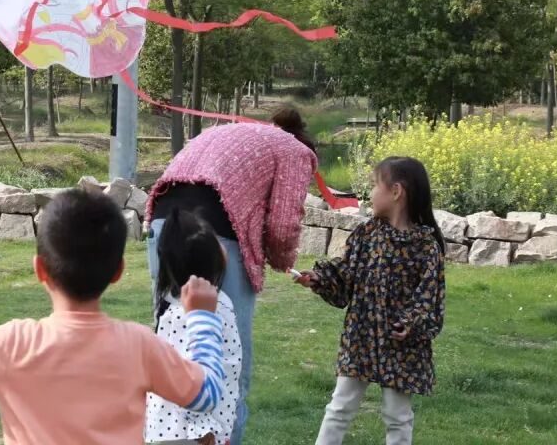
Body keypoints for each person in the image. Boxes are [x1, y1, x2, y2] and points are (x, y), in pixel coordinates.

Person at [0, 189, 227, 445]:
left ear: (40, 269)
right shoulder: (139, 346)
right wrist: (201, 319)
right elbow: (207, 394)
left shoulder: (13, 345)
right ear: (118, 272)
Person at [144, 106, 318, 445]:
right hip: (217, 233)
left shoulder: (238, 132)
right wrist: (283, 262)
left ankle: (165, 433)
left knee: (171, 340)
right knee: (226, 348)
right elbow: (283, 225)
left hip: (166, 227)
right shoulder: (296, 151)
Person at [296, 156, 445, 445]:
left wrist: (411, 324)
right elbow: (346, 275)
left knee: (397, 416)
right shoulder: (367, 234)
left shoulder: (425, 246)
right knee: (340, 407)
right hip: (361, 337)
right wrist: (320, 278)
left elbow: (430, 297)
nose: (370, 194)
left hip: (401, 346)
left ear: (396, 192)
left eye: (375, 185)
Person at [146, 208, 241, 445]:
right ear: (210, 256)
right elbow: (189, 373)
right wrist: (204, 427)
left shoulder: (210, 301)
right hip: (185, 432)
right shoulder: (190, 314)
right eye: (216, 241)